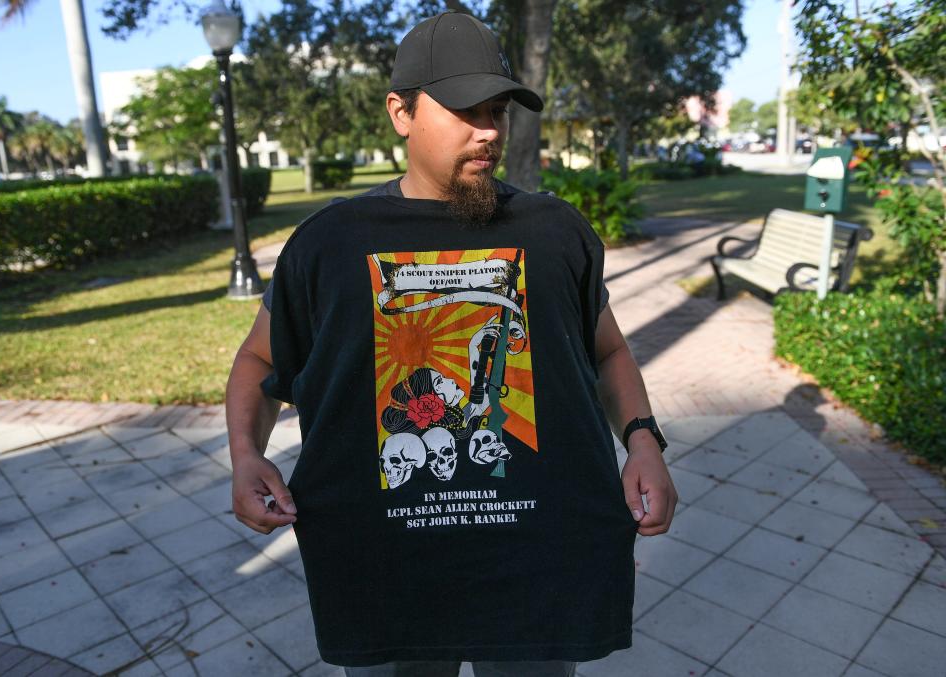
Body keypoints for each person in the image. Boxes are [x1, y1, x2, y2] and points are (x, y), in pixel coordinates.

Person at [225, 11, 678, 677]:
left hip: (533, 580)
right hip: (388, 583)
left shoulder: (555, 236)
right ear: (400, 113)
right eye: (465, 110)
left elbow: (605, 349)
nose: (488, 131)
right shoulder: (329, 246)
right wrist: (244, 456)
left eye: (496, 111)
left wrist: (642, 440)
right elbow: (261, 361)